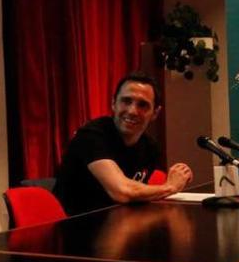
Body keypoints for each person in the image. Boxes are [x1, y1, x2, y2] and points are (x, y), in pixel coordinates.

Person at [52, 72, 193, 215]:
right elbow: (122, 192)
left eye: (143, 105)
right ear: (114, 103)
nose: (132, 111)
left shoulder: (150, 147)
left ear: (155, 112)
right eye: (126, 101)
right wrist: (170, 187)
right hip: (74, 229)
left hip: (116, 223)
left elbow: (135, 196)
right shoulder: (92, 135)